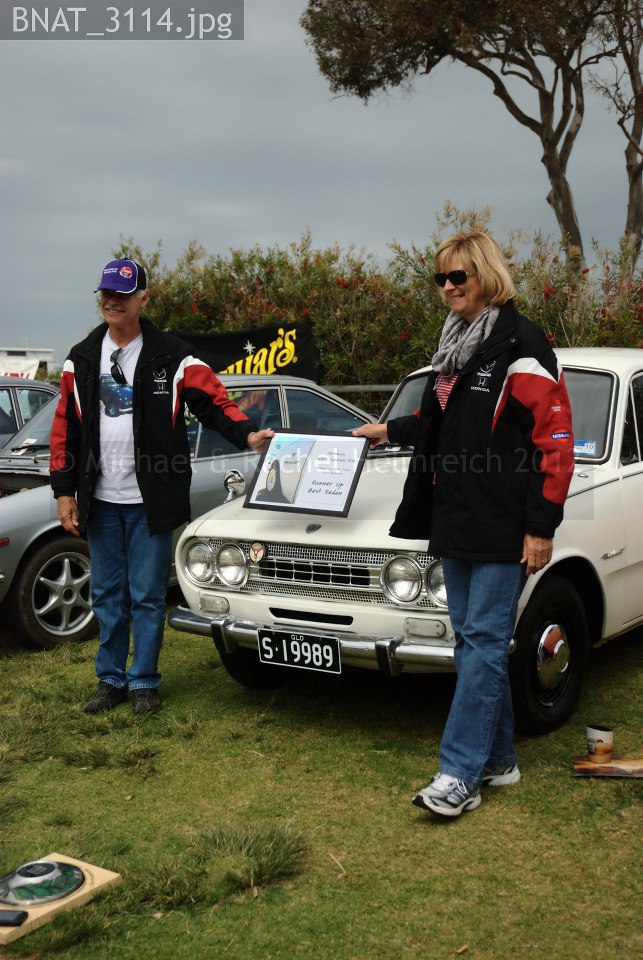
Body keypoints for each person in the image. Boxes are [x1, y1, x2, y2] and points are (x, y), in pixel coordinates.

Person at [354, 232, 574, 817]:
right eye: (441, 278)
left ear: (486, 275)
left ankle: (458, 774)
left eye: (459, 276)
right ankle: (499, 760)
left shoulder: (522, 344)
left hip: (503, 523)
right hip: (454, 516)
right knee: (473, 642)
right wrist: (388, 431)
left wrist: (541, 526)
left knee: (482, 643)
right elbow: (439, 423)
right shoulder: (453, 344)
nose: (449, 287)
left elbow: (555, 443)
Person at [50, 259, 273, 716]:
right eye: (106, 294)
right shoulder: (81, 357)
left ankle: (144, 681)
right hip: (100, 500)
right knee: (106, 594)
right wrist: (64, 490)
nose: (112, 302)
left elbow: (215, 403)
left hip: (150, 500)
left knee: (148, 596)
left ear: (143, 298)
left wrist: (248, 434)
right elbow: (65, 427)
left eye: (122, 294)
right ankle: (110, 679)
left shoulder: (174, 355)